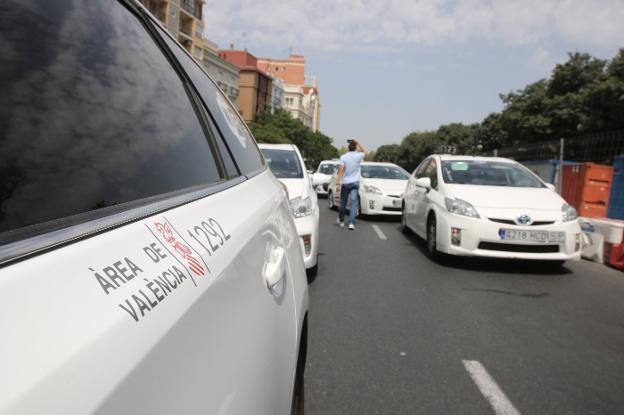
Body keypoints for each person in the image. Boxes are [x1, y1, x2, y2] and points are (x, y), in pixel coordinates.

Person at [335, 138, 368, 230]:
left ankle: (341, 221)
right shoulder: (358, 156)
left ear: (348, 148)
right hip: (355, 183)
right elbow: (365, 151)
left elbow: (341, 171)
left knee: (343, 202)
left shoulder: (343, 157)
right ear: (355, 148)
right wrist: (358, 142)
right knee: (353, 203)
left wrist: (338, 183)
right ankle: (351, 223)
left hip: (346, 183)